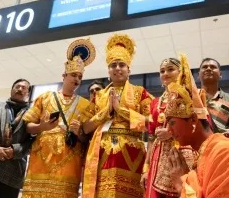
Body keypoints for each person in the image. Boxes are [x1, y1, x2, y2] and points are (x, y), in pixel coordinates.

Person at [165, 54, 229, 198]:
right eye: (204, 67)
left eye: (172, 123)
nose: (168, 130)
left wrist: (181, 184)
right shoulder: (203, 156)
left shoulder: (225, 155)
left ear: (193, 120)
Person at [21, 38, 96, 198]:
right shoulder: (45, 97)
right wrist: (42, 127)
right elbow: (27, 126)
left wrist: (79, 134)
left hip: (69, 160)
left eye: (80, 77)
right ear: (64, 75)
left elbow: (87, 139)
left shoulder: (85, 105)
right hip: (42, 157)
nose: (76, 79)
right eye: (73, 75)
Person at [82, 34, 154, 198]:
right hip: (102, 154)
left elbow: (151, 123)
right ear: (108, 71)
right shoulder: (98, 96)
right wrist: (105, 112)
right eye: (113, 65)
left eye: (122, 64)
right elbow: (85, 127)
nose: (117, 68)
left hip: (132, 155)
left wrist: (122, 111)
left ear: (129, 70)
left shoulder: (140, 93)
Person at [140, 57, 185, 197]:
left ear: (181, 72)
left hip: (182, 155)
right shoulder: (155, 102)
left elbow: (199, 126)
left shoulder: (189, 97)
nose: (165, 73)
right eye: (162, 71)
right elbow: (152, 137)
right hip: (156, 159)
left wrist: (172, 132)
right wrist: (146, 168)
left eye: (171, 69)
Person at [198, 58, 229, 140]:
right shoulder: (191, 98)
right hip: (198, 148)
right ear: (198, 75)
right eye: (204, 67)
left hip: (225, 147)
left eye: (213, 67)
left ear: (220, 74)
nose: (208, 69)